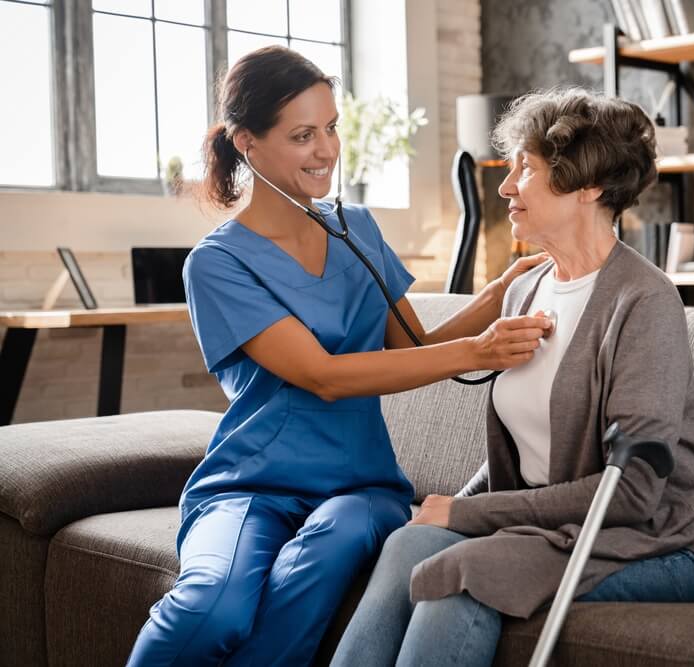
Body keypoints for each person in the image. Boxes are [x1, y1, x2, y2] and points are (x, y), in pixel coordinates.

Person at [125, 46, 551, 667]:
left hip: (361, 485)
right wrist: (479, 349)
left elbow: (412, 349)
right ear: (247, 143)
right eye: (302, 135)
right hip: (251, 484)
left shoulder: (358, 229)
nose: (326, 150)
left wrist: (496, 294)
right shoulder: (217, 263)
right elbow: (322, 376)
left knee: (333, 546)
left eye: (330, 129)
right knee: (211, 605)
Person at [331, 88, 694, 667]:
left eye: (527, 169)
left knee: (466, 573)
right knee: (406, 545)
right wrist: (449, 506)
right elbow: (521, 457)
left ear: (588, 186)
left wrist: (468, 516)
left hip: (656, 541)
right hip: (553, 531)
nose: (505, 186)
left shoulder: (643, 301)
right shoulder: (526, 287)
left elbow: (633, 492)